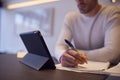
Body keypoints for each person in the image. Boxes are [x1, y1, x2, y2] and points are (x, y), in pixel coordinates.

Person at [55, 0, 120, 67]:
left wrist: (75, 55)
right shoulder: (71, 17)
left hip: (109, 70)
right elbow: (60, 46)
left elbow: (112, 53)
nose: (79, 0)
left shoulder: (112, 13)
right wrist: (62, 55)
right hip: (79, 69)